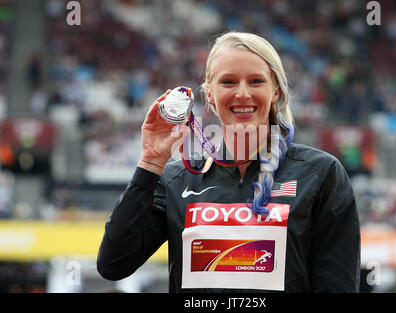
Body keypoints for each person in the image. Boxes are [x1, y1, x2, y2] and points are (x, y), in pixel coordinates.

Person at [97, 31, 360, 292]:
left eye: (256, 81)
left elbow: (337, 285)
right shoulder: (177, 180)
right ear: (209, 94)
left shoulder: (320, 174)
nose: (243, 93)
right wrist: (150, 163)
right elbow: (114, 264)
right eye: (229, 82)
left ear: (276, 92)